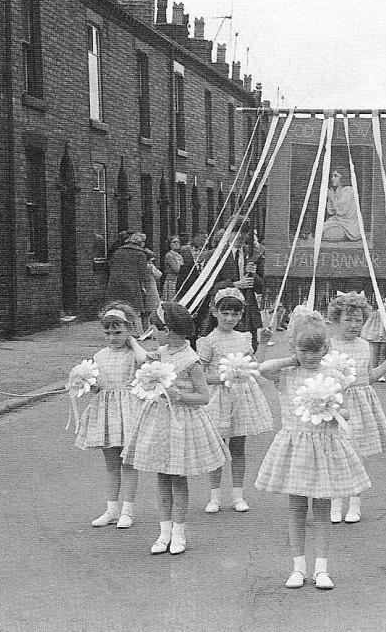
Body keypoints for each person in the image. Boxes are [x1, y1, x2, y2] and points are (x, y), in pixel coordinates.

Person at [254, 310, 370, 590]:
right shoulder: (287, 373)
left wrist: (338, 411)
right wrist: (291, 358)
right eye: (303, 350)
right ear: (294, 347)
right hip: (296, 447)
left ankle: (321, 568)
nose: (310, 356)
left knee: (321, 509)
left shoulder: (332, 374)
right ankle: (297, 567)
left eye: (316, 350)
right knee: (296, 509)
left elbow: (344, 408)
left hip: (325, 446)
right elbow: (263, 368)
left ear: (325, 349)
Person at [121, 303, 228, 556]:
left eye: (154, 329)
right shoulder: (161, 352)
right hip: (159, 420)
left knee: (177, 479)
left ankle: (178, 533)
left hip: (181, 422)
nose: (152, 334)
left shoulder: (191, 361)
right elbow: (142, 359)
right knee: (161, 477)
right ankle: (163, 532)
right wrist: (131, 341)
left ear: (167, 330)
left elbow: (203, 397)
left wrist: (177, 394)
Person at [197, 288, 274, 515]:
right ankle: (214, 496)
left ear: (241, 315)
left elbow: (253, 367)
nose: (230, 318)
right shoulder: (208, 341)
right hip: (218, 399)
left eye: (235, 314)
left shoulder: (244, 338)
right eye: (225, 313)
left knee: (238, 447)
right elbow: (200, 376)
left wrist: (263, 343)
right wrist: (225, 376)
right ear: (214, 312)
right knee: (218, 447)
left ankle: (238, 495)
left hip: (241, 398)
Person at [326, 292, 386, 524]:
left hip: (360, 403)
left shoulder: (365, 346)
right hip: (336, 402)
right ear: (337, 320)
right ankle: (335, 502)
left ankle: (354, 504)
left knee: (356, 456)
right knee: (336, 454)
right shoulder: (328, 345)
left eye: (358, 320)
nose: (354, 325)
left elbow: (369, 377)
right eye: (348, 320)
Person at [75, 303, 148, 529]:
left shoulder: (133, 354)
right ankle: (111, 509)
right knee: (111, 464)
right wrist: (86, 382)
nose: (112, 337)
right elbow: (97, 385)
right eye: (108, 332)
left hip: (128, 410)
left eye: (118, 332)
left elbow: (144, 362)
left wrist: (134, 341)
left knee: (128, 463)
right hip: (106, 411)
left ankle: (128, 510)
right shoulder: (99, 355)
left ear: (128, 330)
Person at [207, 220, 265, 353]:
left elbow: (261, 288)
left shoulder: (252, 254)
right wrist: (234, 285)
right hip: (226, 314)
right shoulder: (216, 255)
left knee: (250, 351)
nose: (240, 236)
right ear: (228, 233)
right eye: (236, 231)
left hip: (248, 314)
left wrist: (254, 274)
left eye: (244, 232)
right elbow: (210, 287)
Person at [104, 232, 151, 332]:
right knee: (132, 309)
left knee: (117, 308)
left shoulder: (118, 252)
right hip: (132, 285)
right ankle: (132, 331)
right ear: (140, 242)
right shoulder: (140, 254)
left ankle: (116, 328)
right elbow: (142, 272)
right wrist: (143, 286)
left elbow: (111, 265)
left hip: (115, 284)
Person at [321, 168, 361, 242]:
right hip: (337, 221)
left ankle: (345, 235)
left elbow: (341, 212)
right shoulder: (338, 190)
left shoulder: (349, 191)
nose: (332, 178)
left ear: (343, 177)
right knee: (320, 231)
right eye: (332, 176)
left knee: (330, 235)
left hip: (348, 224)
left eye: (335, 176)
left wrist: (332, 198)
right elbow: (331, 212)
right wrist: (330, 198)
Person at [361, 295, 386, 381]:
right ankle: (373, 371)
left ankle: (381, 373)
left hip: (384, 331)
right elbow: (369, 319)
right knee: (375, 352)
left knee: (383, 352)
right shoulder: (373, 310)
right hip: (375, 332)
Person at [161, 235, 184, 301]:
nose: (177, 244)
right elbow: (176, 269)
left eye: (178, 242)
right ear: (170, 244)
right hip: (171, 281)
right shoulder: (169, 255)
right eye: (174, 242)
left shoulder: (180, 256)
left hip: (179, 281)